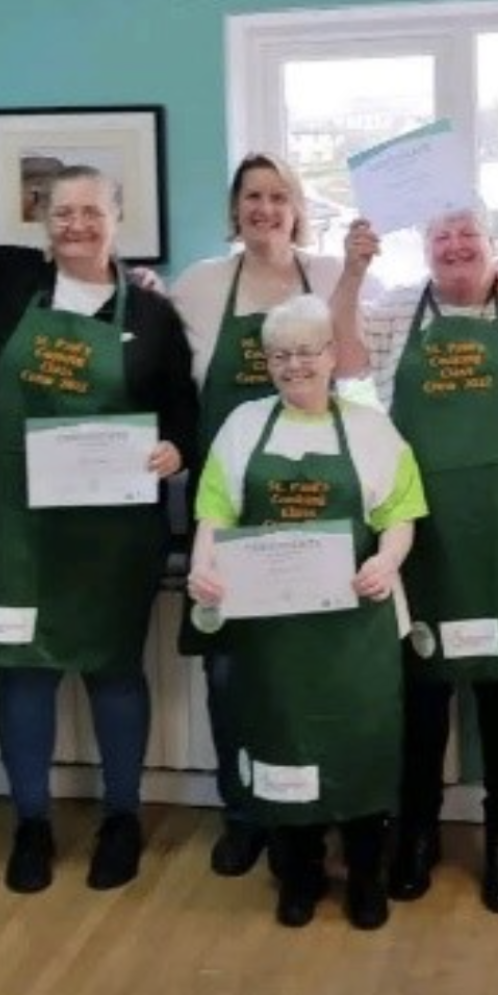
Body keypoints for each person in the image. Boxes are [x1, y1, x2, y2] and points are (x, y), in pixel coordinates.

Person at [334, 205, 498, 914]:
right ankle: (417, 829)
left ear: (495, 248)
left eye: (468, 236)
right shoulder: (394, 310)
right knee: (421, 698)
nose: (454, 246)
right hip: (420, 540)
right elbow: (338, 354)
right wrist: (355, 268)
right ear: (424, 251)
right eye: (439, 236)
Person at [0, 165, 198, 895]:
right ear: (43, 219)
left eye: (91, 211)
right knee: (25, 668)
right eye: (62, 212)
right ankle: (31, 822)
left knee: (113, 667)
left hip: (112, 530)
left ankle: (122, 817)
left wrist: (175, 450)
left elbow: (182, 416)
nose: (76, 225)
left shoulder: (155, 315)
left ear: (117, 216)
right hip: (19, 524)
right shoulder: (7, 290)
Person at [187, 296, 426, 928]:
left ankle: (367, 876)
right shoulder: (242, 426)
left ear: (331, 356)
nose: (295, 365)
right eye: (280, 355)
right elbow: (214, 511)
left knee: (362, 747)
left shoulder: (373, 430)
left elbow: (401, 513)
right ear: (267, 362)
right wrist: (202, 567)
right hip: (272, 634)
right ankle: (299, 872)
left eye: (307, 351)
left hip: (358, 629)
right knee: (281, 743)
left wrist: (388, 561)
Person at [170, 153, 376, 878]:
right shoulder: (197, 286)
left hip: (322, 510)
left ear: (296, 207)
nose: (264, 208)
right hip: (231, 504)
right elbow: (166, 375)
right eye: (251, 196)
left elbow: (351, 367)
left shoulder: (328, 276)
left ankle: (323, 809)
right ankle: (246, 807)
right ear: (236, 208)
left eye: (277, 195)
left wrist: (352, 274)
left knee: (314, 671)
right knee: (234, 673)